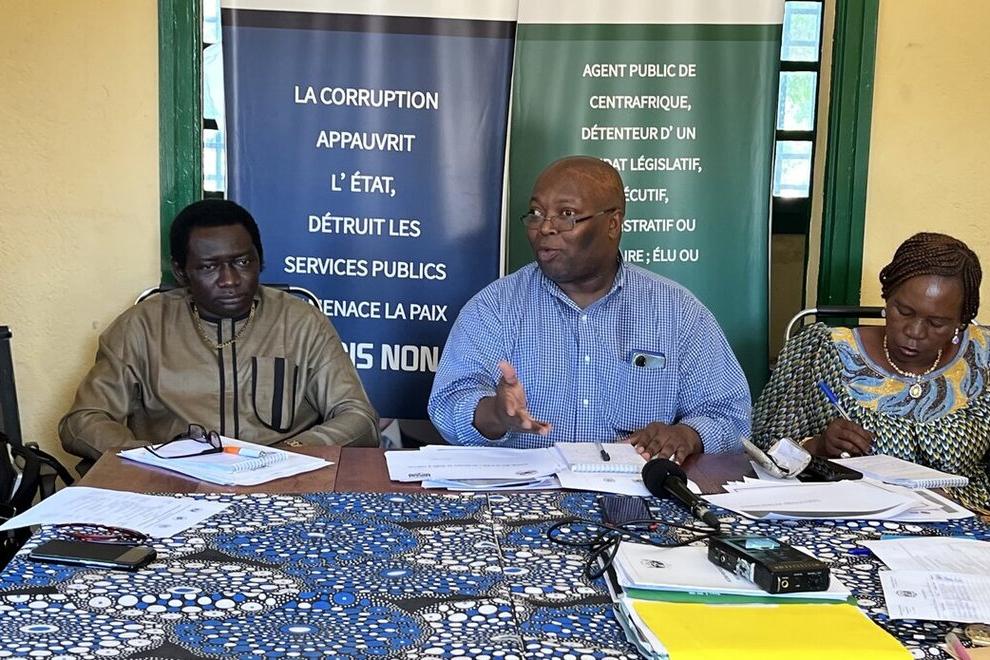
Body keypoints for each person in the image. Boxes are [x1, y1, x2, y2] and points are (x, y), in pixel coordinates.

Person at [428, 156, 750, 461]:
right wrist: (496, 414)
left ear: (612, 224)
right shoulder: (494, 307)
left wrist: (686, 435)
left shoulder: (677, 312)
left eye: (566, 214)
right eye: (536, 213)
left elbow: (731, 416)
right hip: (525, 493)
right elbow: (448, 404)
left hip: (634, 494)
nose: (545, 228)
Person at [59, 199, 379, 471]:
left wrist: (290, 452)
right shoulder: (141, 327)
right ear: (181, 271)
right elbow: (82, 421)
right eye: (209, 267)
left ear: (260, 260)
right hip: (173, 483)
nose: (230, 280)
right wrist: (151, 458)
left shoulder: (301, 322)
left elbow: (358, 418)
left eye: (242, 261)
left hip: (284, 478)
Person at [753, 232, 990, 511]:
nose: (915, 332)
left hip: (967, 519)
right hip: (851, 517)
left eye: (936, 323)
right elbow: (763, 451)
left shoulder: (982, 360)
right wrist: (817, 446)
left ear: (961, 321)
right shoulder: (822, 351)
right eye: (904, 311)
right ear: (887, 298)